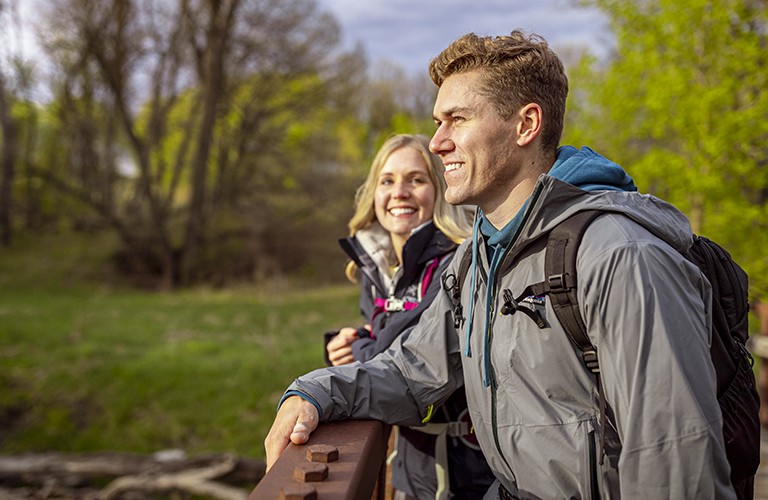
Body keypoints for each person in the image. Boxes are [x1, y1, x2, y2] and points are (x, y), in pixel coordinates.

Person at [265, 30, 736, 499]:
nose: (436, 143)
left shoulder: (619, 256)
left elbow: (675, 461)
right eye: (437, 122)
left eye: (457, 120)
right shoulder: (476, 258)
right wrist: (313, 392)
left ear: (526, 125)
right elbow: (413, 371)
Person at [324, 133, 495, 499]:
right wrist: (358, 343)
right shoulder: (376, 268)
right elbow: (384, 344)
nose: (399, 192)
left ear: (438, 189)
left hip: (470, 472)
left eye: (416, 180)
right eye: (387, 181)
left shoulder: (458, 262)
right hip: (409, 468)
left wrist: (357, 350)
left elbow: (408, 363)